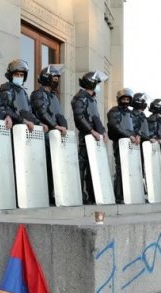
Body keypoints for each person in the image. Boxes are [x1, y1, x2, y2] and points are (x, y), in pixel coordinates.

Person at [30, 64, 68, 205]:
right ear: (47, 78)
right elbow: (42, 112)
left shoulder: (54, 96)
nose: (57, 80)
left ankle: (53, 194)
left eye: (58, 77)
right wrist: (55, 126)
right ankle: (44, 194)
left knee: (54, 165)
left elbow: (59, 114)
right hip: (43, 135)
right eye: (55, 77)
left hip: (55, 135)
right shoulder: (38, 94)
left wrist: (64, 126)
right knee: (45, 165)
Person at [71, 70, 108, 204]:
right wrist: (91, 131)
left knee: (93, 168)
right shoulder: (80, 97)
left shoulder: (92, 99)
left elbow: (96, 117)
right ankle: (81, 196)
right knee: (82, 167)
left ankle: (93, 196)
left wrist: (103, 131)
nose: (98, 85)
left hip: (95, 138)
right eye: (97, 83)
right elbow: (79, 117)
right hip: (85, 138)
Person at [107, 88, 139, 203]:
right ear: (119, 99)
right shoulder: (114, 111)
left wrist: (137, 135)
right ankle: (119, 195)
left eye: (127, 99)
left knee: (131, 169)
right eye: (123, 99)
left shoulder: (130, 114)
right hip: (119, 143)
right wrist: (127, 135)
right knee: (120, 168)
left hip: (131, 144)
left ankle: (130, 194)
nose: (125, 101)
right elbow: (114, 126)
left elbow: (135, 127)